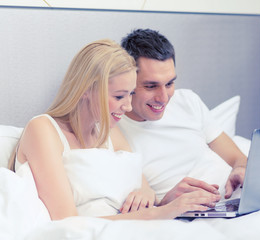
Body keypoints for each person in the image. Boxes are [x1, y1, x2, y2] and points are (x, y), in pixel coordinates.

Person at [8, 39, 219, 220]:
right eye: (119, 96)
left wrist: (163, 202)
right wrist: (161, 213)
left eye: (130, 94)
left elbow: (144, 189)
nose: (127, 106)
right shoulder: (43, 130)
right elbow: (67, 221)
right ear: (87, 90)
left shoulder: (108, 132)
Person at [118, 29, 248, 206]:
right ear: (127, 81)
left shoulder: (187, 101)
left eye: (170, 83)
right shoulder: (115, 130)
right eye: (150, 86)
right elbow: (147, 205)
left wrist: (240, 169)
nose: (164, 98)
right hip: (186, 214)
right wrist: (167, 204)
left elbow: (238, 158)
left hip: (234, 199)